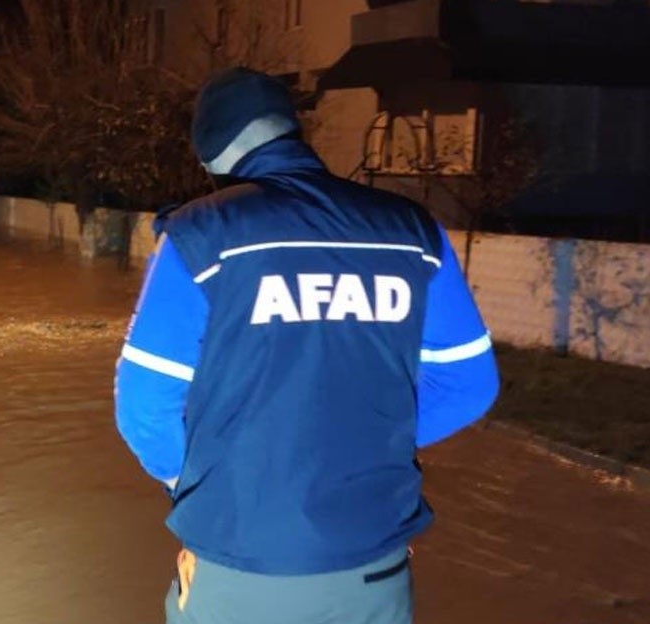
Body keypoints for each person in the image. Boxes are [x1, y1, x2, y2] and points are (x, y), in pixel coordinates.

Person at [113, 68, 499, 624]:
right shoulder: (413, 231)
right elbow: (469, 385)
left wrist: (204, 480)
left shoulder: (202, 235)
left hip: (242, 565)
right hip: (374, 566)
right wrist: (360, 440)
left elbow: (144, 409)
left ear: (213, 154)